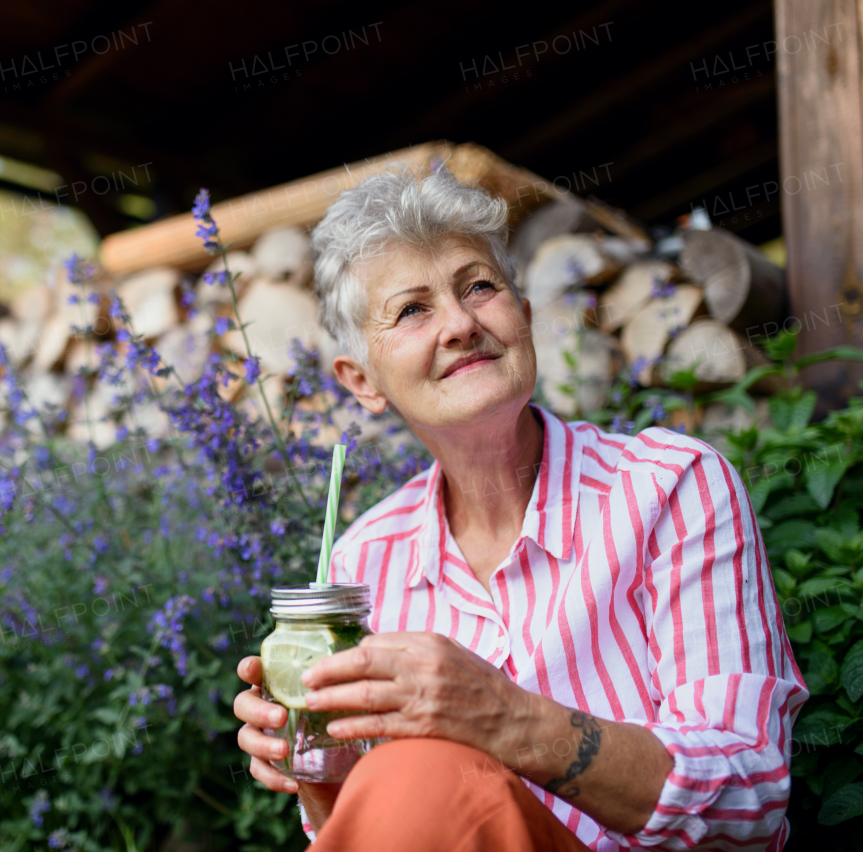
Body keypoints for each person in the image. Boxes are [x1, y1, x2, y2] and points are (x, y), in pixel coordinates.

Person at [232, 164, 807, 850]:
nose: (460, 324)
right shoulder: (364, 560)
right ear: (362, 381)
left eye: (480, 287)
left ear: (524, 316)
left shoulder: (672, 487)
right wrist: (319, 773)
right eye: (413, 309)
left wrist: (504, 718)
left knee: (421, 772)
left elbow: (751, 793)